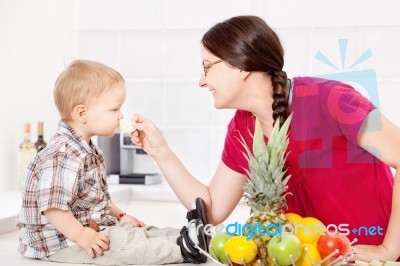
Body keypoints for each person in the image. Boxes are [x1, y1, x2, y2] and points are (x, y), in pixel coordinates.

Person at [129, 16, 400, 262]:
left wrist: (389, 249)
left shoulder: (333, 100)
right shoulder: (242, 127)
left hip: (372, 258)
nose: (201, 81)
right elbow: (211, 209)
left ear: (241, 66)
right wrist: (160, 151)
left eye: (208, 67)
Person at [16, 59, 210, 265]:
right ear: (83, 113)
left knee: (138, 233)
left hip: (90, 228)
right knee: (128, 249)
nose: (121, 115)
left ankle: (189, 236)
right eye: (114, 109)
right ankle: (185, 248)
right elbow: (54, 209)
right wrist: (83, 236)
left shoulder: (88, 150)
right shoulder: (62, 154)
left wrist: (121, 214)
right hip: (62, 243)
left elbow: (95, 199)